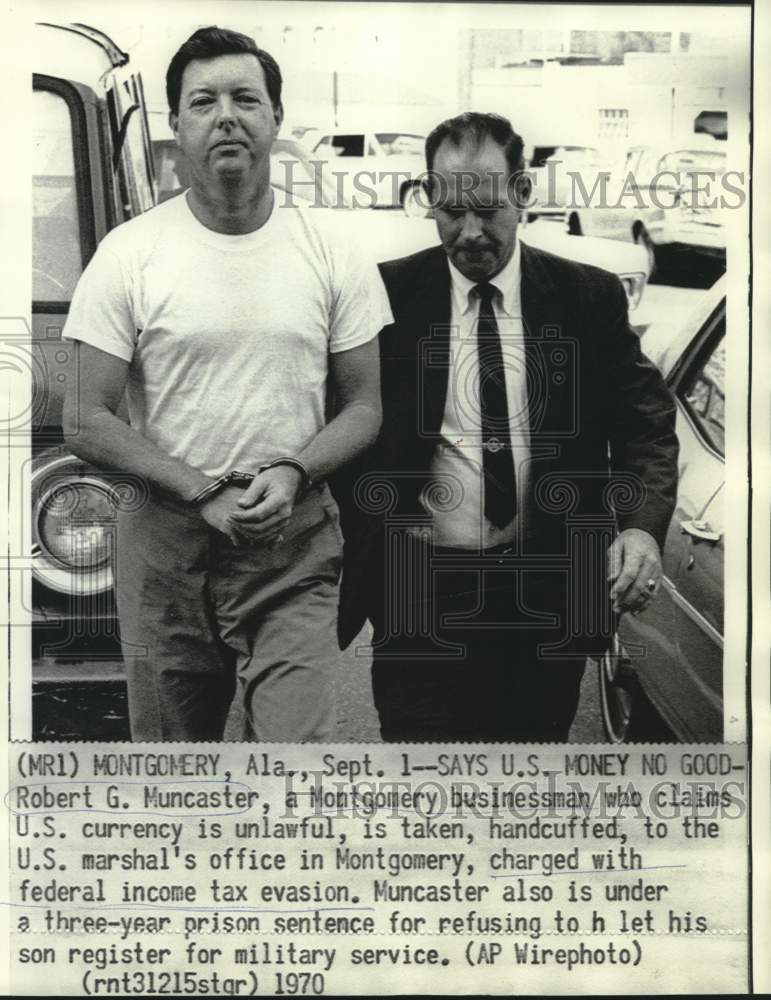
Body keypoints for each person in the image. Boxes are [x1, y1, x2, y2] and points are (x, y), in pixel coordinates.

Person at [62, 26, 390, 741]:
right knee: (177, 767)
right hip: (165, 553)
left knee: (295, 758)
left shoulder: (331, 252)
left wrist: (296, 467)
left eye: (246, 97)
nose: (226, 115)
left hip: (292, 545)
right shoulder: (130, 254)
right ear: (176, 126)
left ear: (275, 116)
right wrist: (202, 492)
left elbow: (364, 406)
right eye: (202, 101)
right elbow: (84, 417)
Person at [334, 112, 679, 742]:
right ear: (428, 199)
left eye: (488, 209)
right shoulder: (383, 298)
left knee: (527, 770)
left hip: (547, 586)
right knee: (425, 776)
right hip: (418, 584)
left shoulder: (588, 298)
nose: (469, 233)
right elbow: (338, 417)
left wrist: (641, 528)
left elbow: (647, 425)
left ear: (522, 194)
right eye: (451, 211)